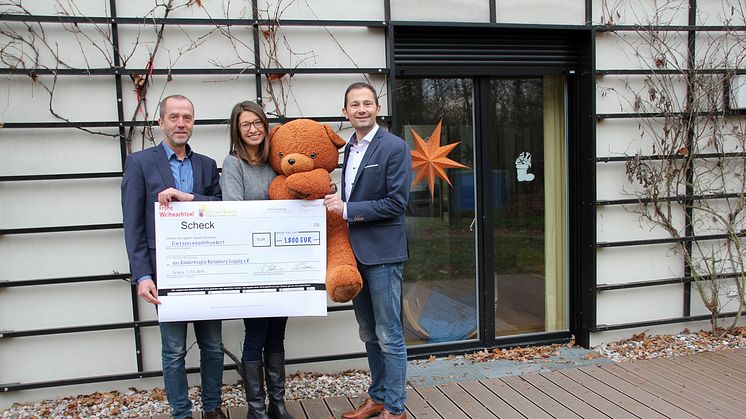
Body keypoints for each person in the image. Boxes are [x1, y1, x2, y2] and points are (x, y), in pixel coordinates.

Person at [121, 94, 227, 419]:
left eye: (187, 118)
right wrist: (142, 276)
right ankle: (181, 413)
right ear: (161, 122)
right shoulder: (140, 163)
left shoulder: (206, 165)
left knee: (212, 347)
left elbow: (222, 207)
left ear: (193, 123)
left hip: (205, 271)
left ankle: (212, 408)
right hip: (165, 274)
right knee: (173, 351)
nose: (181, 123)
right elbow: (133, 225)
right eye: (174, 117)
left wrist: (189, 197)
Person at [324, 82, 413, 419]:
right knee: (368, 333)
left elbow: (396, 203)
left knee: (389, 334)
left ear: (377, 108)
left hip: (384, 255)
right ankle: (377, 397)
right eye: (354, 105)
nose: (361, 109)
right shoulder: (350, 149)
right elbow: (357, 191)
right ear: (345, 112)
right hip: (356, 255)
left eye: (367, 103)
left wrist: (347, 210)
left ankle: (395, 407)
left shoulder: (393, 147)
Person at [219, 101, 293, 419]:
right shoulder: (233, 164)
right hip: (252, 265)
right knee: (256, 333)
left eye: (257, 123)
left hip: (284, 261)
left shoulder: (275, 162)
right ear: (237, 130)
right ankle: (256, 409)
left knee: (277, 333)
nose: (252, 129)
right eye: (245, 124)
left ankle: (277, 403)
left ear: (265, 126)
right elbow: (235, 211)